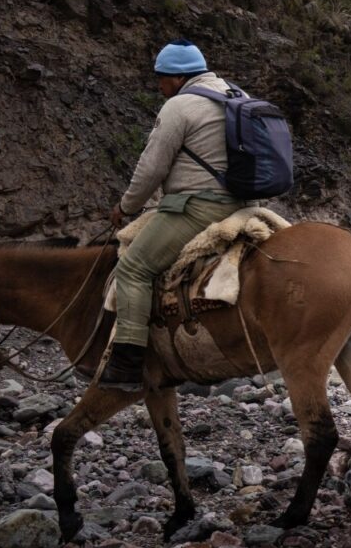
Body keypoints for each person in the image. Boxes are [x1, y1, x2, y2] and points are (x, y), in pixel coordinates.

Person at [98, 41, 251, 391]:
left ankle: (128, 363)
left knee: (133, 267)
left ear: (179, 77)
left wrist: (126, 207)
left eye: (162, 79)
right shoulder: (236, 94)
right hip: (244, 204)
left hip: (199, 208)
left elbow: (151, 168)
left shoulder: (180, 106)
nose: (159, 86)